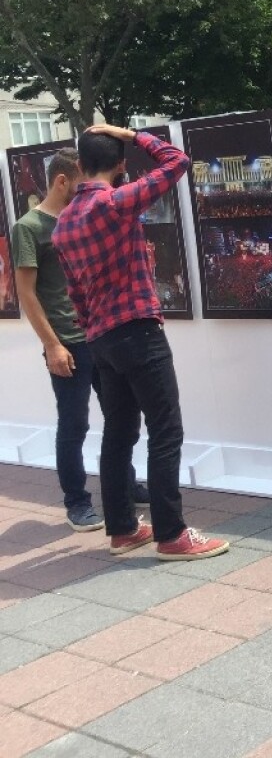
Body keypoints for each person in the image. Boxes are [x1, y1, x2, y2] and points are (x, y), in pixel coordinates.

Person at [53, 125, 228, 561]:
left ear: (78, 166)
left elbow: (75, 295)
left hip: (100, 339)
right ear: (120, 166)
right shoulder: (115, 203)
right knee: (165, 430)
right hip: (138, 330)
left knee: (119, 433)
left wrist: (94, 329)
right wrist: (130, 133)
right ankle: (171, 535)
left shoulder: (63, 226)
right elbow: (178, 162)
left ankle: (123, 529)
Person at [10, 148, 148, 532]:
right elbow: (27, 293)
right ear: (61, 181)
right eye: (81, 182)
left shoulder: (80, 218)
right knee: (75, 425)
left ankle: (124, 483)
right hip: (67, 343)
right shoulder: (30, 227)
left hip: (99, 333)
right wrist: (52, 344)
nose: (88, 189)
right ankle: (77, 501)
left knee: (121, 417)